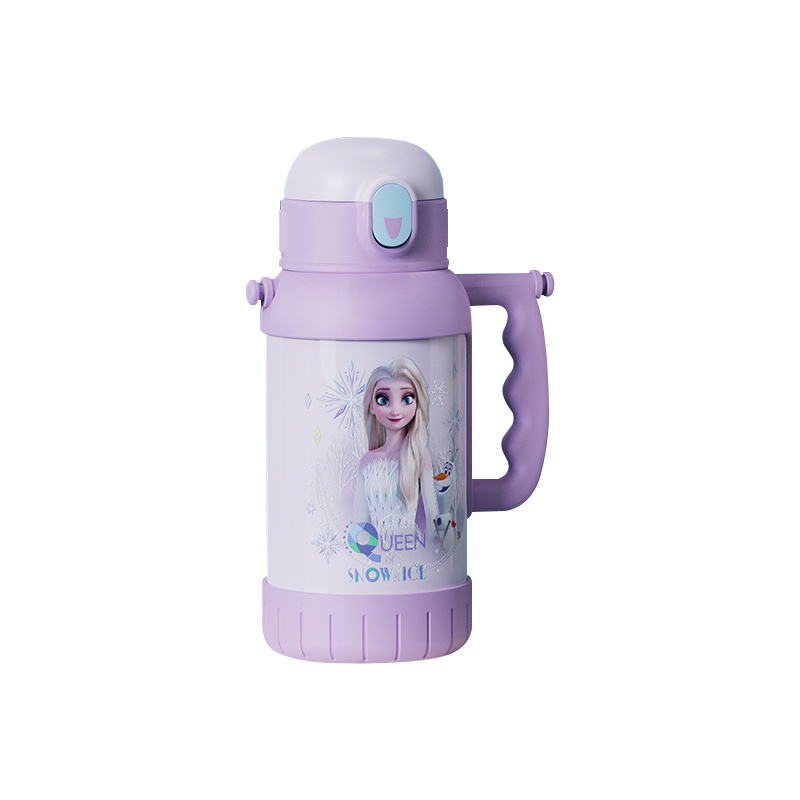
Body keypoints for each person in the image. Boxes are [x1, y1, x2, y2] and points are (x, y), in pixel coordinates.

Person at [352, 358, 437, 545]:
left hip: (411, 551)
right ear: (371, 406)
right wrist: (361, 553)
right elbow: (358, 522)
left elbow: (433, 516)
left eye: (407, 399)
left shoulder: (419, 455)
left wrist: (434, 551)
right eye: (383, 400)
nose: (395, 410)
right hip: (372, 553)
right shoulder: (367, 461)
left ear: (417, 403)